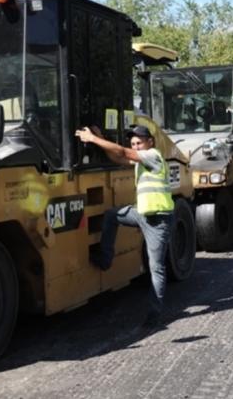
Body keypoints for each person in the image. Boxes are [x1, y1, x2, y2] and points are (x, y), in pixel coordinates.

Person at [75, 124, 175, 328]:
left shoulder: (153, 156)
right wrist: (102, 138)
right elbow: (118, 157)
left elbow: (122, 151)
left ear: (150, 142)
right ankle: (105, 259)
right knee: (112, 215)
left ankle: (154, 314)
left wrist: (92, 139)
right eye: (133, 144)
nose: (136, 147)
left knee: (156, 268)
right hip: (142, 215)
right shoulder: (140, 161)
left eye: (139, 143)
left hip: (158, 221)